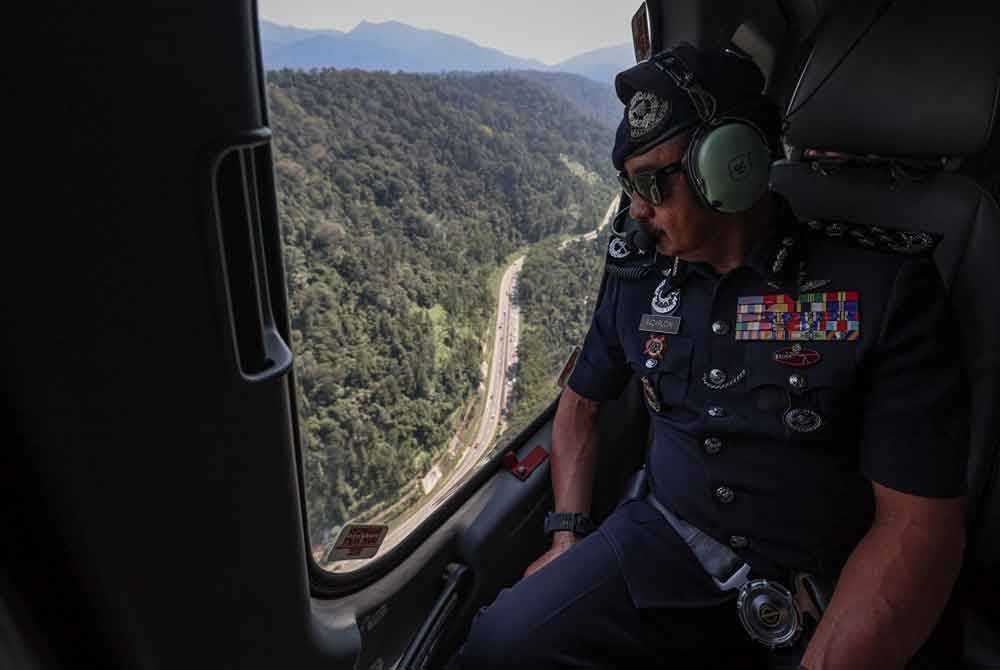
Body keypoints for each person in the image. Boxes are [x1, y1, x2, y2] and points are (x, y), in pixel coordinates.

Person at [456, 43, 968, 669]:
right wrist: (567, 534)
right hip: (663, 545)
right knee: (501, 644)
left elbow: (917, 525)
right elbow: (582, 403)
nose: (637, 208)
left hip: (823, 584)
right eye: (627, 184)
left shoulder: (880, 287)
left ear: (730, 165)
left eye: (651, 183)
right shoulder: (638, 272)